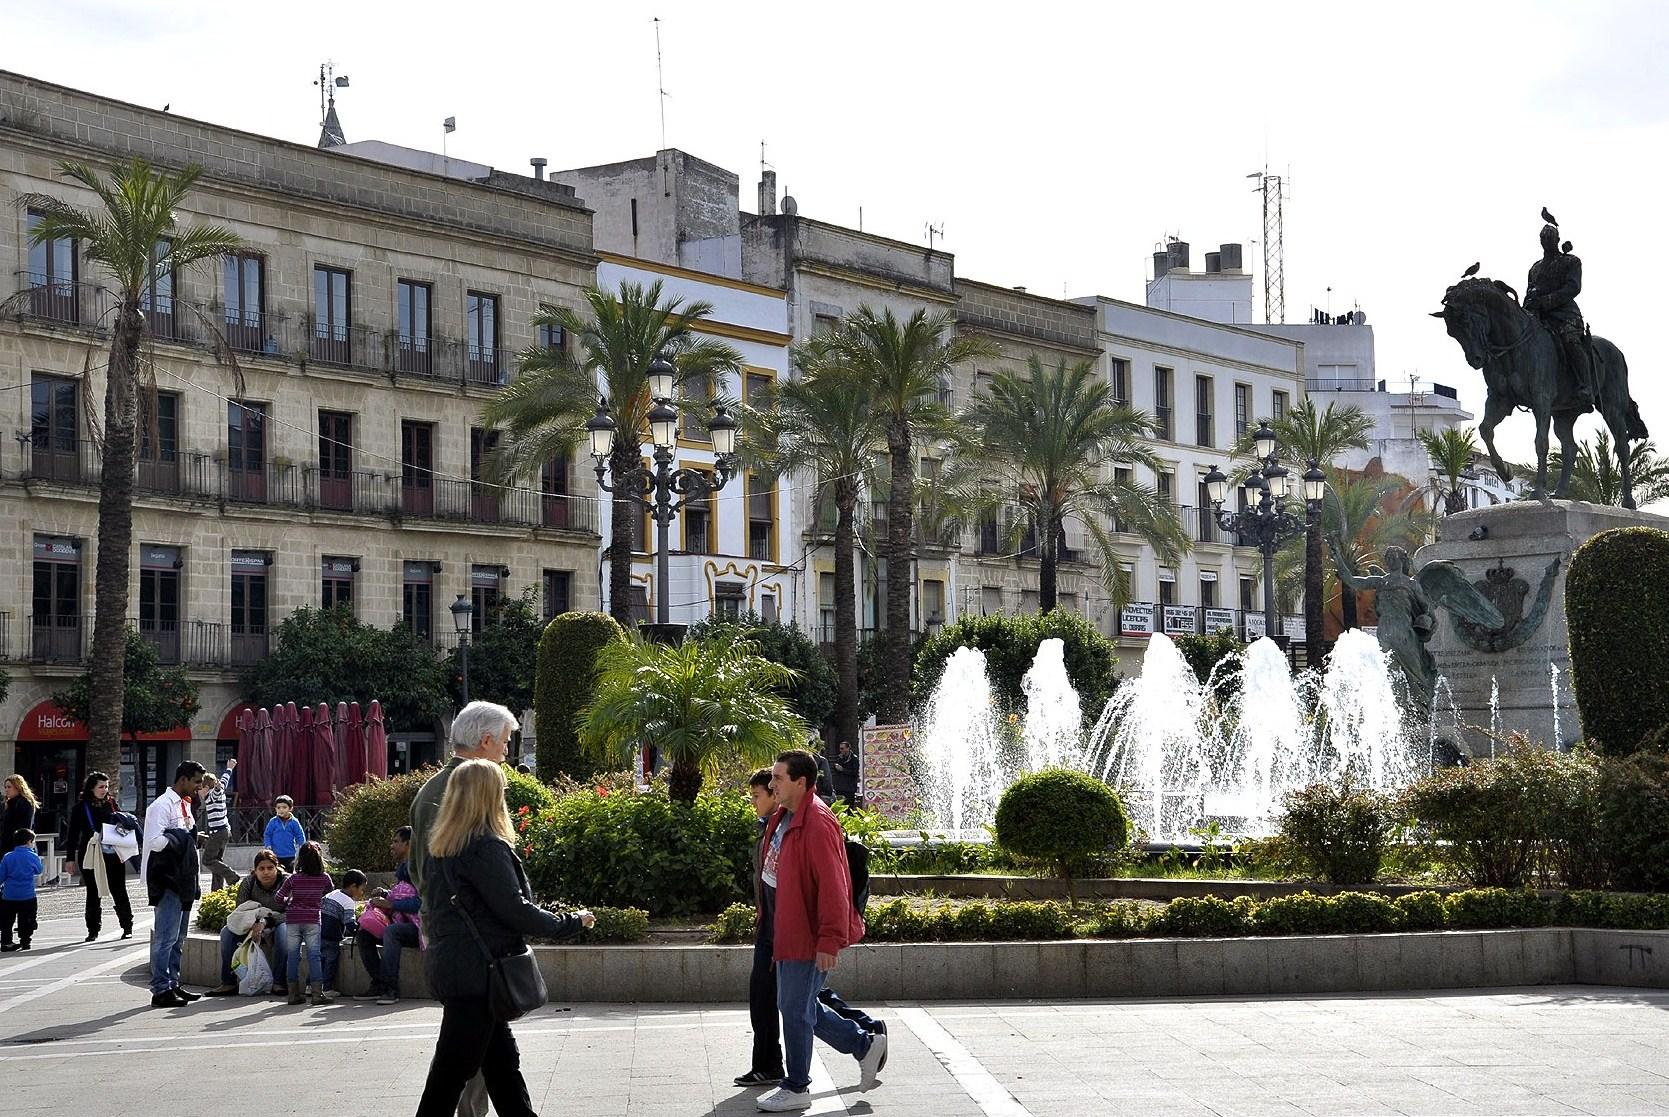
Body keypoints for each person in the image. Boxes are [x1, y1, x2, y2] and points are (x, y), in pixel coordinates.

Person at [413, 759, 593, 1117]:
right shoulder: (485, 847)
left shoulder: (442, 848)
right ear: (489, 796)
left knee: (501, 1066)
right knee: (450, 1075)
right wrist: (571, 922)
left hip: (458, 968)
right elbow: (514, 909)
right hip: (482, 974)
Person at [755, 750, 884, 1112]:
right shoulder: (783, 815)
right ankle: (862, 1044)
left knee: (793, 1008)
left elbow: (834, 886)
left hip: (806, 934)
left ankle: (797, 1086)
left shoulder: (817, 822)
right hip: (784, 929)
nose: (771, 784)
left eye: (779, 778)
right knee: (799, 1006)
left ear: (801, 782)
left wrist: (829, 939)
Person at [408, 700, 518, 1117]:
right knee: (465, 1049)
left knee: (487, 1048)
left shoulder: (432, 788)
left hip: (455, 935)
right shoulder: (463, 789)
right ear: (486, 741)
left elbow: (420, 869)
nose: (507, 751)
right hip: (471, 942)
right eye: (505, 743)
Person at [143, 761, 206, 1008]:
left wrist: (193, 838)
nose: (199, 787)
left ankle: (172, 983)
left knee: (179, 939)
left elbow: (184, 834)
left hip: (185, 878)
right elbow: (154, 841)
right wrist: (180, 839)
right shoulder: (161, 806)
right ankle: (160, 989)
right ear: (183, 780)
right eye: (197, 782)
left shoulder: (184, 805)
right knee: (165, 938)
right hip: (166, 879)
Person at [1525, 213, 1593, 406]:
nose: (1546, 241)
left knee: (1571, 341)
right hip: (1539, 317)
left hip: (1565, 315)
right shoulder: (1535, 268)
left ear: (1557, 240)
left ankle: (1585, 385)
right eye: (1543, 238)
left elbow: (1573, 287)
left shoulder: (1570, 262)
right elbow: (1529, 293)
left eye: (1550, 238)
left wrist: (1546, 301)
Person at [63, 770, 140, 942]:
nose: (104, 790)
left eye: (106, 786)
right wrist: (69, 859)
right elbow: (73, 835)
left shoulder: (111, 803)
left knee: (119, 889)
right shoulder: (80, 808)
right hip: (90, 852)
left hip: (113, 852)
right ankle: (92, 930)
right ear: (91, 788)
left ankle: (127, 926)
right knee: (93, 892)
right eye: (101, 787)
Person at [204, 849, 290, 997]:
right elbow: (241, 911)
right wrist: (255, 924)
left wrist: (266, 922)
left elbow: (292, 912)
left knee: (284, 934)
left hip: (278, 922)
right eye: (261, 869)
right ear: (255, 871)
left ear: (277, 868)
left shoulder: (287, 882)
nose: (266, 872)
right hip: (252, 923)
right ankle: (228, 982)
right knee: (226, 933)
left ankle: (279, 982)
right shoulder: (248, 882)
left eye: (270, 868)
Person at [354, 826, 423, 1004]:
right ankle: (379, 983)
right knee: (364, 933)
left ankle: (390, 989)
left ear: (408, 844)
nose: (392, 846)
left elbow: (423, 903)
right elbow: (404, 893)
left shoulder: (420, 870)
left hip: (421, 928)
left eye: (396, 841)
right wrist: (385, 894)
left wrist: (391, 904)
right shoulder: (403, 870)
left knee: (392, 932)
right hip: (403, 921)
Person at [275, 841, 332, 1005]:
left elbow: (278, 898)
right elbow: (329, 893)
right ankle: (316, 994)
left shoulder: (293, 879)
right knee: (314, 956)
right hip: (313, 920)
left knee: (293, 956)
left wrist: (289, 900)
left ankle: (293, 995)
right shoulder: (324, 878)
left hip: (293, 919)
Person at [320, 868, 368, 999]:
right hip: (331, 936)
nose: (362, 893)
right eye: (361, 889)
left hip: (317, 932)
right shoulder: (348, 902)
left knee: (318, 961)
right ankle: (326, 988)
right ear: (353, 886)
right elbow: (350, 923)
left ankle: (310, 986)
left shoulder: (333, 893)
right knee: (330, 961)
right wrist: (362, 930)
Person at [0, 828, 43, 952]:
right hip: (27, 894)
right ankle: (25, 941)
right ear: (29, 841)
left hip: (9, 895)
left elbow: (1, 875)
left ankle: (6, 942)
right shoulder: (32, 856)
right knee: (27, 918)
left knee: (7, 921)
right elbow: (39, 870)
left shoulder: (8, 857)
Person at [199, 759, 239, 890]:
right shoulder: (220, 792)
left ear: (205, 788)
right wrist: (229, 768)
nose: (198, 792)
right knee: (217, 863)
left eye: (199, 788)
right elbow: (224, 781)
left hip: (218, 832)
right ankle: (217, 891)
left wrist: (216, 787)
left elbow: (216, 790)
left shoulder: (210, 796)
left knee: (208, 860)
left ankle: (231, 875)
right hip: (224, 830)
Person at [263, 796, 306, 872]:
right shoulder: (273, 822)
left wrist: (302, 846)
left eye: (284, 807)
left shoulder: (294, 822)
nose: (281, 810)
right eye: (278, 808)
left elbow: (299, 835)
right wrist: (268, 845)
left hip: (290, 854)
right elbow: (267, 834)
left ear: (290, 808)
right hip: (275, 854)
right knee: (277, 874)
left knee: (288, 875)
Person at [2, 775, 39, 849]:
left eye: (9, 787)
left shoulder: (25, 804)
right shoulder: (9, 804)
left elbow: (25, 827)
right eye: (5, 787)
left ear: (18, 788)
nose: (6, 790)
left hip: (18, 845)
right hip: (8, 844)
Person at [829, 741, 860, 808]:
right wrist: (836, 768)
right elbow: (835, 771)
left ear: (848, 748)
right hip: (840, 786)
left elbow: (854, 772)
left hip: (850, 787)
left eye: (842, 748)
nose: (841, 750)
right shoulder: (839, 758)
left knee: (849, 806)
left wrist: (843, 769)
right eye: (840, 749)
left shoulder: (854, 759)